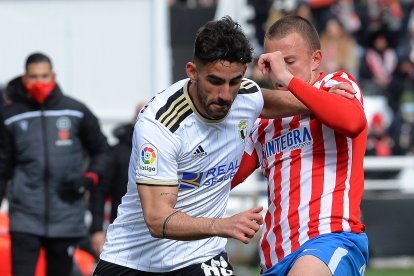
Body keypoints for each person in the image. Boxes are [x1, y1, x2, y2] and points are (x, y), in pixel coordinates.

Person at [94, 16, 354, 275]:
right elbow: (157, 219)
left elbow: (269, 100)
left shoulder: (245, 97)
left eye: (234, 82)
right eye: (215, 81)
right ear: (192, 71)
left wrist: (323, 99)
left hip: (202, 255)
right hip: (133, 260)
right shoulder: (161, 125)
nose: (226, 95)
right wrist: (223, 225)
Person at [232, 15, 368, 275]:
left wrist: (288, 79)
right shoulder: (264, 122)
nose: (279, 73)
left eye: (289, 62)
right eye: (272, 64)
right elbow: (228, 177)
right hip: (274, 256)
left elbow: (353, 122)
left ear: (316, 59)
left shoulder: (336, 84)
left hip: (330, 238)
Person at [0, 52, 110, 276]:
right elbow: (2, 167)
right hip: (25, 217)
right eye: (33, 77)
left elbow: (102, 151)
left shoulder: (76, 111)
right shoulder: (10, 117)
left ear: (53, 75)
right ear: (25, 78)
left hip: (66, 215)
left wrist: (89, 178)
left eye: (44, 76)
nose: (39, 83)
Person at [106, 101, 147, 223]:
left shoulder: (165, 147)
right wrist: (96, 229)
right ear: (133, 119)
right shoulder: (116, 152)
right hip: (121, 220)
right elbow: (101, 190)